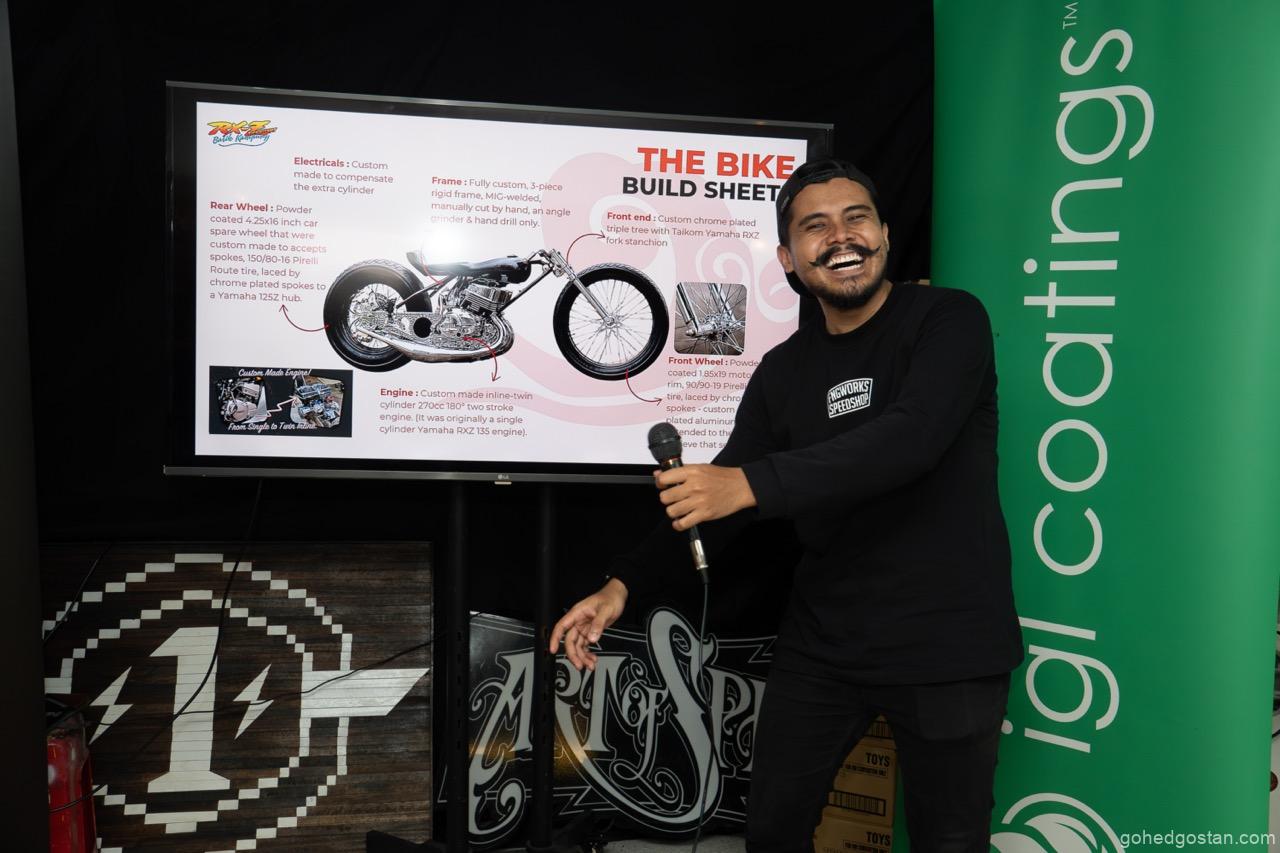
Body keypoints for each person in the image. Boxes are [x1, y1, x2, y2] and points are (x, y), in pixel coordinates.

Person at [550, 159, 1023, 852]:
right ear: (788, 258)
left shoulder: (949, 319)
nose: (841, 237)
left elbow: (911, 439)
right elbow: (722, 500)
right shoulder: (784, 370)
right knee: (771, 831)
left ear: (886, 234)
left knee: (949, 840)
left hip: (947, 643)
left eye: (857, 218)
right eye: (815, 226)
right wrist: (622, 586)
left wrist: (749, 483)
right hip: (825, 645)